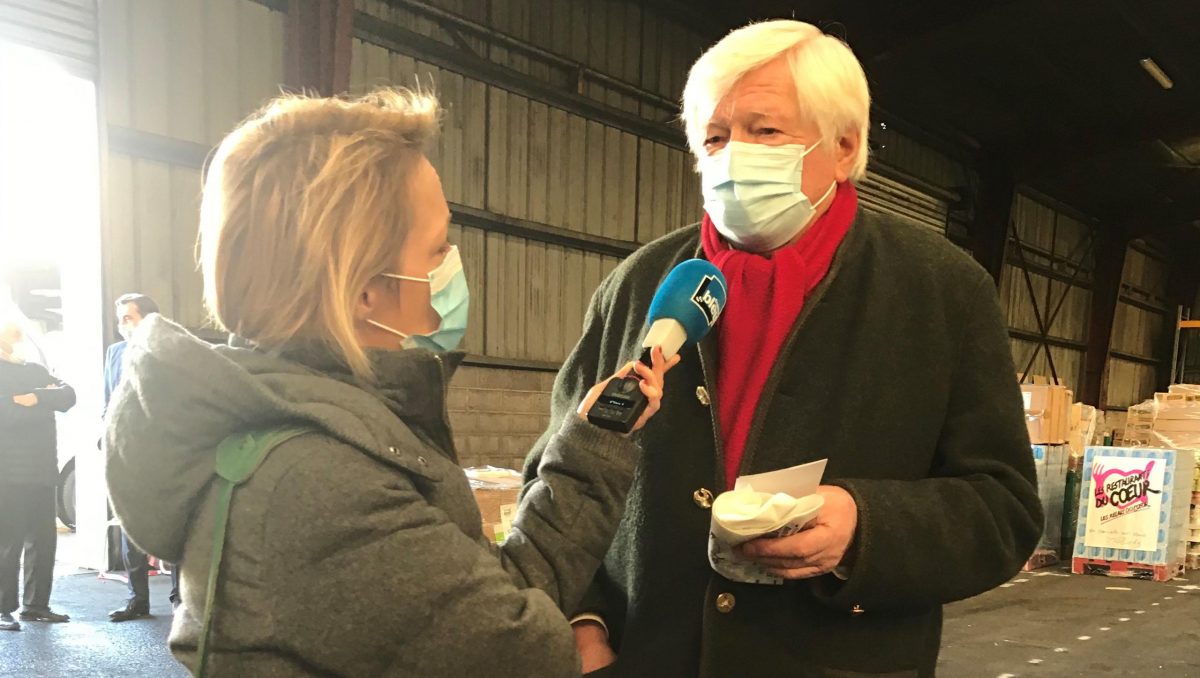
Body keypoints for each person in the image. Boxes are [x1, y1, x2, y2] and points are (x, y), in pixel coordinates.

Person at [525, 20, 1043, 677]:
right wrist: (583, 625)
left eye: (764, 131)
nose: (733, 155)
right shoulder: (635, 287)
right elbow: (554, 473)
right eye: (714, 137)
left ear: (846, 145)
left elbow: (1004, 510)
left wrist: (865, 527)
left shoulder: (942, 293)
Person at [104, 88, 678, 676]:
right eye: (436, 249)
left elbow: (499, 595)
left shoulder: (319, 431)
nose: (450, 265)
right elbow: (520, 652)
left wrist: (591, 441)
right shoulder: (320, 483)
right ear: (364, 291)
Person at [103, 292, 182, 622]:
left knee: (175, 522)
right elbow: (110, 399)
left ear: (149, 319)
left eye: (128, 319)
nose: (122, 327)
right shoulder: (115, 353)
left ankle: (181, 600)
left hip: (165, 450)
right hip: (126, 453)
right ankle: (138, 599)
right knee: (129, 524)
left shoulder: (172, 350)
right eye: (119, 320)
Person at [0, 318, 76, 631]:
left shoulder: (33, 369)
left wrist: (36, 398)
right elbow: (5, 414)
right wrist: (38, 401)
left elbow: (68, 395)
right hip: (8, 475)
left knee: (43, 543)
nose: (14, 336)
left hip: (43, 473)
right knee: (8, 545)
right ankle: (2, 609)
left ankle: (35, 605)